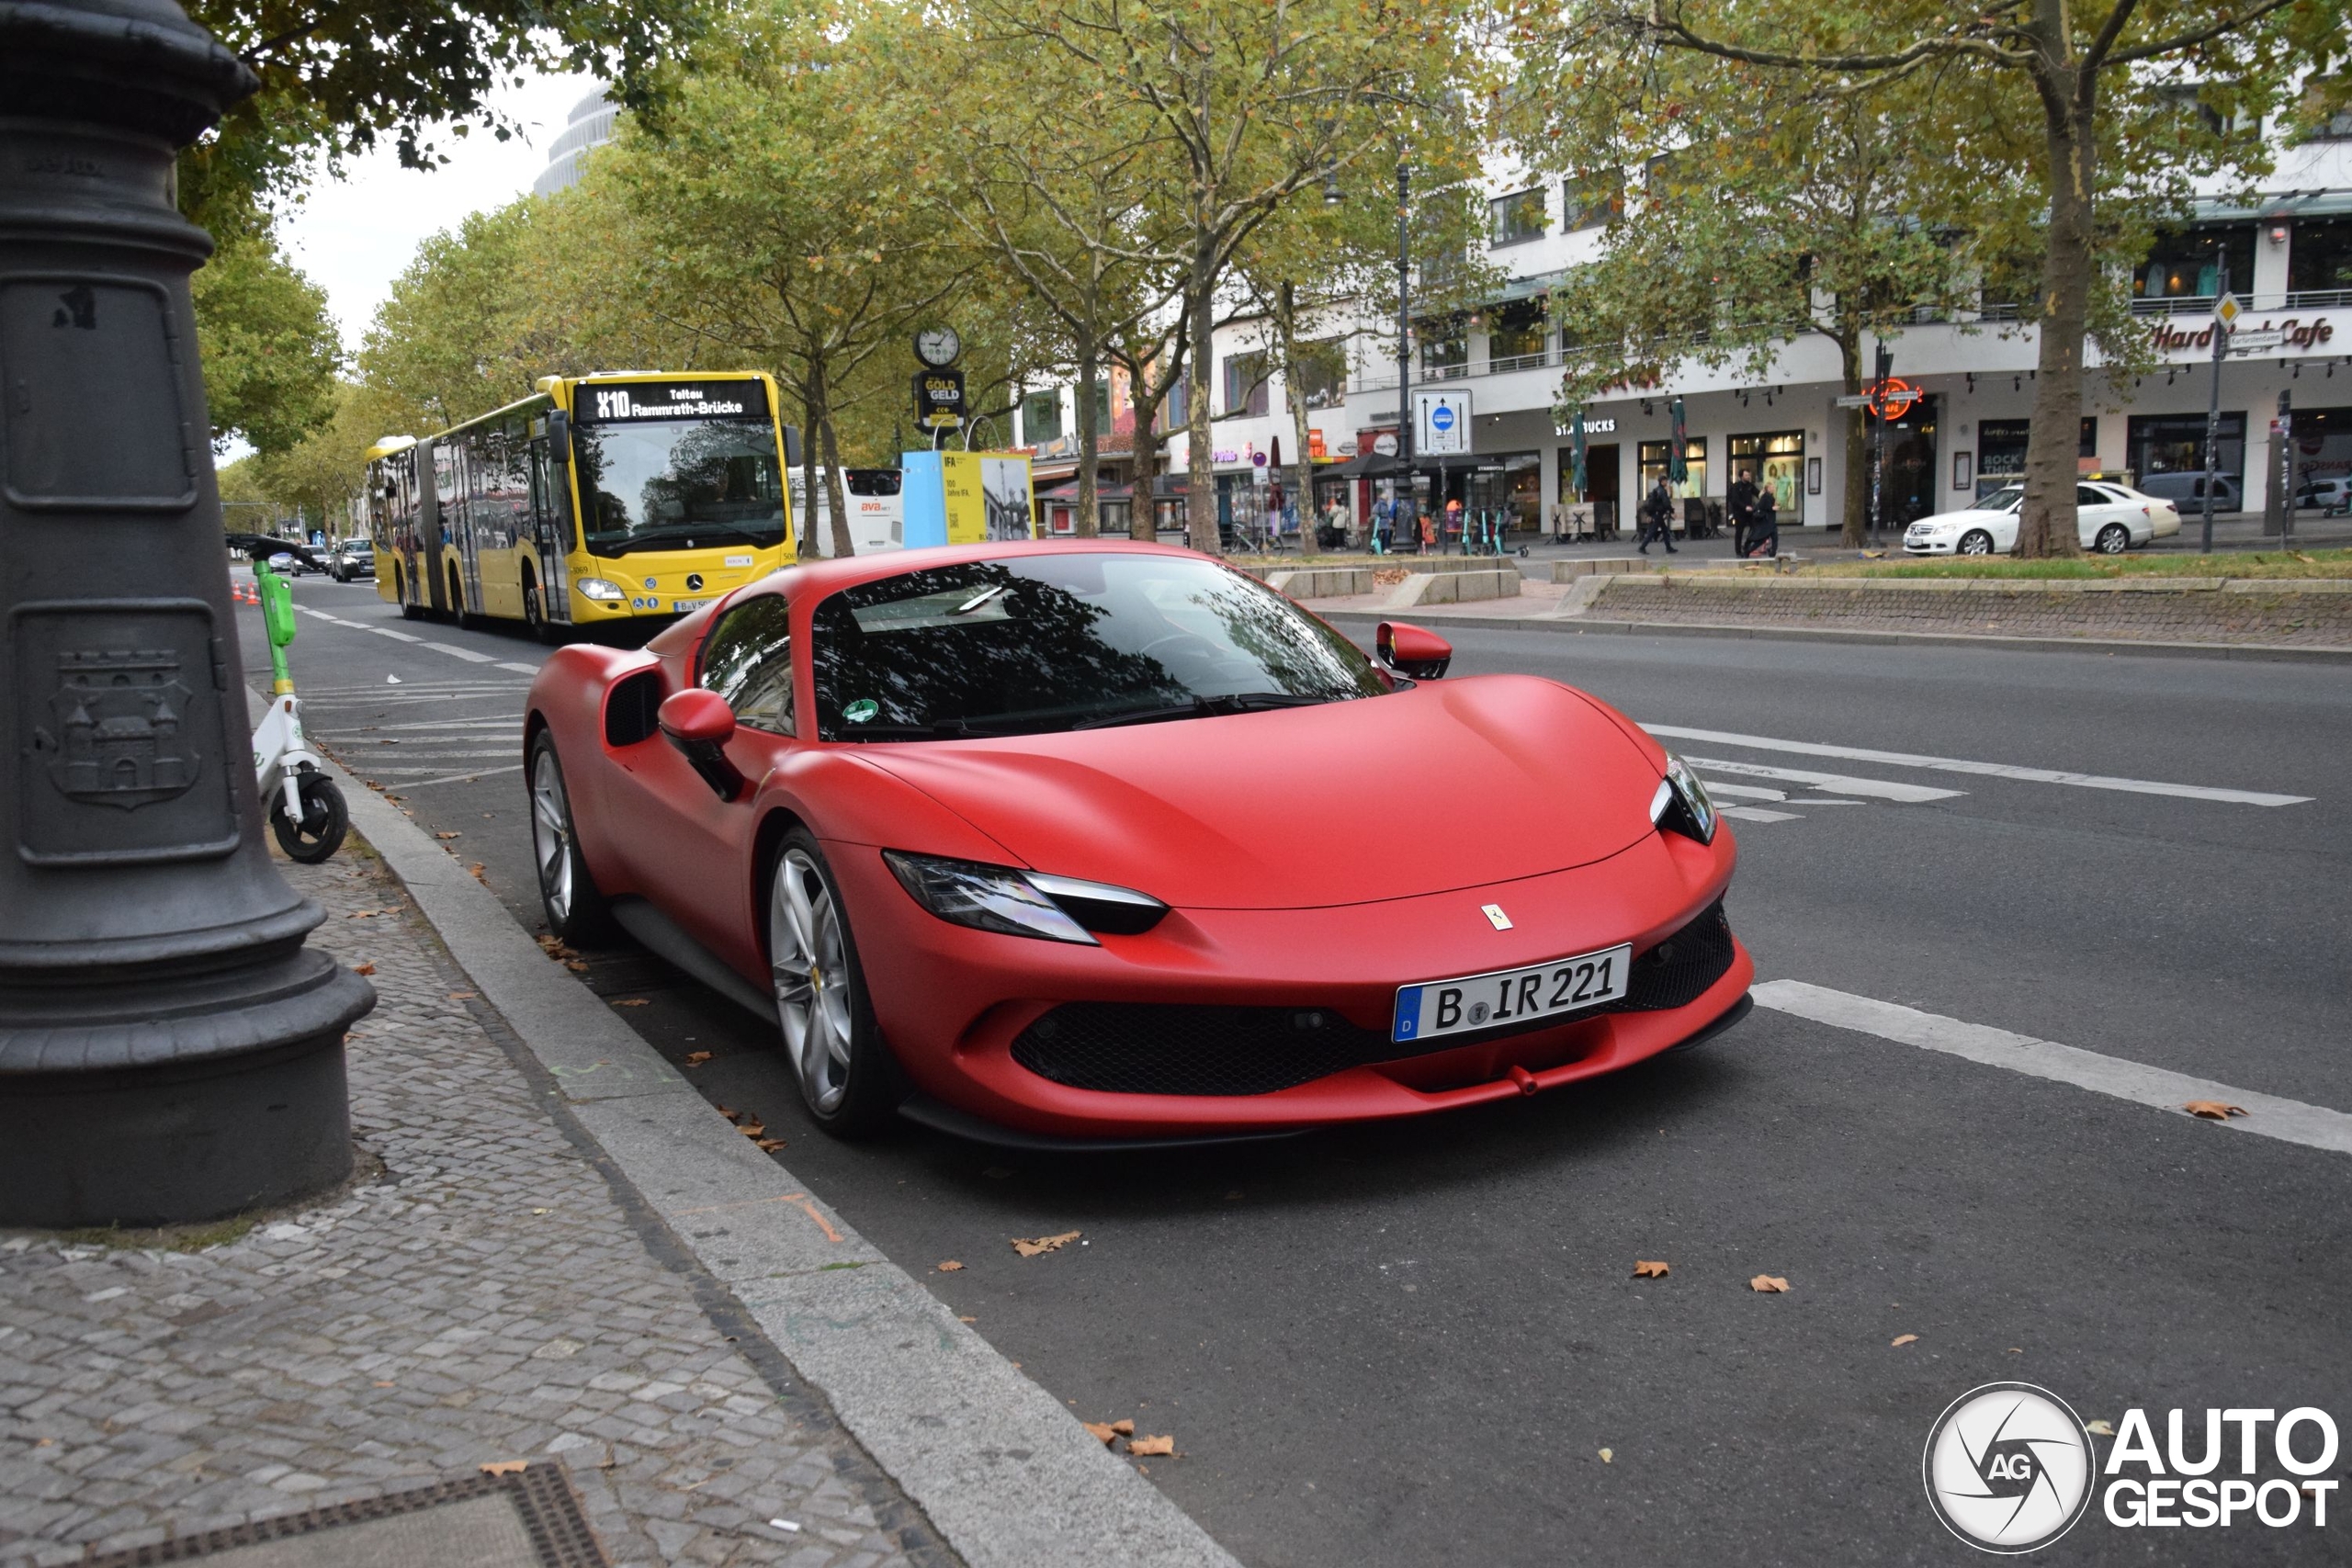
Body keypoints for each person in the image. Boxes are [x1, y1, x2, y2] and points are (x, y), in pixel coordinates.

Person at [1638, 478, 1679, 554]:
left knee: (1665, 530)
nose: (1666, 482)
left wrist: (1649, 514)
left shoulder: (1656, 490)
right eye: (1665, 481)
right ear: (1662, 482)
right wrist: (1672, 511)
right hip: (1658, 514)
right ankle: (1642, 547)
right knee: (1652, 532)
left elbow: (1653, 503)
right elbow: (1666, 502)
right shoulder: (1662, 491)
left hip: (1656, 513)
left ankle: (1668, 548)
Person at [1727, 472, 1758, 558]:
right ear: (1741, 477)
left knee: (1754, 528)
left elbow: (1757, 493)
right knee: (1739, 532)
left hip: (1749, 513)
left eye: (1749, 475)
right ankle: (1738, 551)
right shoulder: (1736, 486)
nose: (1748, 477)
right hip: (1739, 513)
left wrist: (1764, 495)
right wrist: (1744, 507)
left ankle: (1747, 545)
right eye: (1746, 475)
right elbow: (1735, 500)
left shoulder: (1750, 486)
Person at [1747, 485, 1780, 558]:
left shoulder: (1769, 496)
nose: (1773, 489)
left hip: (1770, 521)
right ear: (1768, 489)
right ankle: (1748, 550)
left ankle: (1773, 552)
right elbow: (1763, 506)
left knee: (1773, 538)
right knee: (1763, 539)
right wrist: (1772, 508)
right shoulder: (1766, 496)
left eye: (1773, 487)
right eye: (1771, 488)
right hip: (1768, 521)